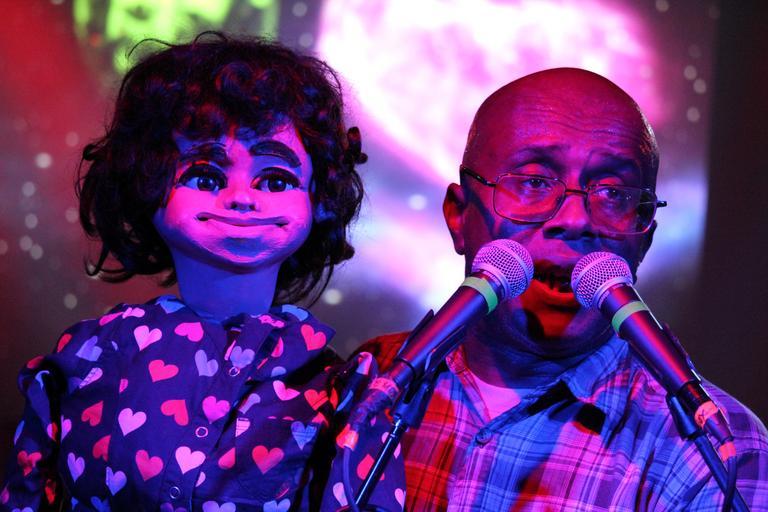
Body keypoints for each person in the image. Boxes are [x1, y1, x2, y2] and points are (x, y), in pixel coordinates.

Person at [1, 32, 403, 511]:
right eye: (206, 176)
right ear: (146, 183)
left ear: (318, 198)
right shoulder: (90, 356)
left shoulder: (337, 390)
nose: (241, 198)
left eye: (276, 180)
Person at [360, 68, 768, 510]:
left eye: (613, 193)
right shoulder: (370, 381)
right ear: (459, 217)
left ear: (644, 240)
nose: (575, 220)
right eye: (534, 182)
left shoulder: (714, 452)